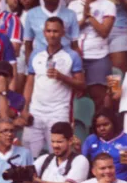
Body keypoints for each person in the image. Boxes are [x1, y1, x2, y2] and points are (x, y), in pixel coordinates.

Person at [22, 18, 84, 158]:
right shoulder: (35, 54)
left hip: (59, 111)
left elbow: (81, 85)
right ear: (44, 33)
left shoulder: (72, 56)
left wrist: (62, 77)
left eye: (55, 31)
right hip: (35, 112)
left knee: (59, 154)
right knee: (29, 156)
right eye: (49, 31)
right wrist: (24, 109)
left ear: (63, 33)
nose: (52, 35)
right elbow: (29, 83)